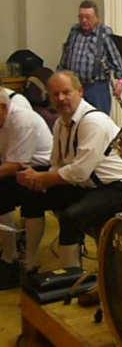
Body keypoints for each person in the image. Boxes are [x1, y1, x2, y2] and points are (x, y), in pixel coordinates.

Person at [17, 71, 122, 270]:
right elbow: (56, 163)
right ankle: (29, 262)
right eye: (55, 94)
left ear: (80, 92)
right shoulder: (60, 122)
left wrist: (43, 178)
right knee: (32, 196)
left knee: (71, 217)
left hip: (114, 188)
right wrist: (39, 182)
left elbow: (79, 172)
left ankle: (71, 276)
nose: (60, 98)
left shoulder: (94, 122)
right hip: (84, 184)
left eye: (66, 92)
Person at [0, 89, 52, 288]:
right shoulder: (3, 118)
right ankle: (9, 256)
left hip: (42, 169)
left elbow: (15, 165)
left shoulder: (22, 120)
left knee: (31, 196)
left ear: (3, 108)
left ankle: (30, 262)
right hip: (17, 166)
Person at [58, 0, 122, 114]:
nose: (84, 20)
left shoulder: (104, 33)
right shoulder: (74, 31)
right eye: (81, 17)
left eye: (88, 17)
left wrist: (120, 81)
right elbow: (65, 56)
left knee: (98, 119)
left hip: (96, 88)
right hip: (75, 87)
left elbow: (117, 61)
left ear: (97, 18)